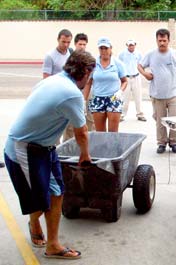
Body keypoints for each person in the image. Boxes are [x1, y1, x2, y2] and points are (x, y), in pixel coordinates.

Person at [3, 50, 95, 259]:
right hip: (24, 149)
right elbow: (81, 132)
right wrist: (85, 156)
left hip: (45, 147)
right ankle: (34, 221)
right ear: (85, 73)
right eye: (90, 75)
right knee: (39, 200)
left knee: (56, 192)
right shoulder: (72, 94)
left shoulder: (54, 80)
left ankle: (52, 244)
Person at [138, 28, 176, 154]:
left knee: (175, 119)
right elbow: (139, 65)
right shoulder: (151, 54)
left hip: (173, 93)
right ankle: (161, 142)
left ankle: (174, 142)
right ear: (156, 40)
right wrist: (145, 74)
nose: (162, 43)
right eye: (160, 40)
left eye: (164, 40)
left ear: (169, 40)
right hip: (157, 94)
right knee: (160, 120)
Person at [83, 37, 128, 132]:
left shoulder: (117, 64)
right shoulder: (93, 64)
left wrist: (120, 91)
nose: (104, 51)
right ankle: (102, 147)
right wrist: (83, 100)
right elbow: (88, 83)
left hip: (113, 98)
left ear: (111, 48)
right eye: (101, 48)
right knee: (100, 132)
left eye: (106, 48)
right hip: (98, 98)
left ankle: (113, 147)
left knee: (113, 132)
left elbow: (124, 81)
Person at [62, 33, 95, 142]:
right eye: (80, 44)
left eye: (84, 44)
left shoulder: (89, 58)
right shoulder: (70, 58)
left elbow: (89, 81)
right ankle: (68, 145)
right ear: (75, 44)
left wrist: (84, 99)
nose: (82, 46)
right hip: (72, 91)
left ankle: (89, 143)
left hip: (86, 92)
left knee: (90, 120)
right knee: (70, 123)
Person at [118, 40, 146, 122]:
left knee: (138, 97)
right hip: (126, 78)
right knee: (125, 98)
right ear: (127, 45)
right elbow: (119, 65)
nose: (131, 47)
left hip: (136, 77)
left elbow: (141, 64)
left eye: (132, 45)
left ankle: (140, 114)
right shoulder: (122, 54)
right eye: (129, 45)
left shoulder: (138, 54)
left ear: (135, 45)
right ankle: (122, 115)